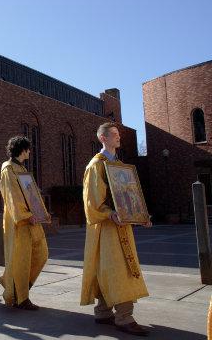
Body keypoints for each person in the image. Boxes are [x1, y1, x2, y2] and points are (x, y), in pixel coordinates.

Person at [81, 122, 151, 336]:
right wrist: (110, 214)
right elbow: (92, 202)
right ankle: (124, 317)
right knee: (119, 271)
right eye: (114, 134)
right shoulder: (96, 165)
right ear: (103, 138)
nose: (119, 138)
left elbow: (129, 196)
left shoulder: (120, 165)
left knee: (108, 270)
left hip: (123, 226)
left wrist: (140, 215)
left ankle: (103, 311)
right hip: (107, 228)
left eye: (119, 134)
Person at [0, 136, 49, 310]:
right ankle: (20, 297)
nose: (30, 151)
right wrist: (26, 215)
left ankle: (15, 287)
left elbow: (31, 194)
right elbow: (12, 196)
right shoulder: (8, 169)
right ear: (22, 149)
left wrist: (40, 212)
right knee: (21, 259)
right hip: (18, 222)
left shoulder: (22, 168)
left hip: (32, 220)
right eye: (28, 148)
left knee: (41, 254)